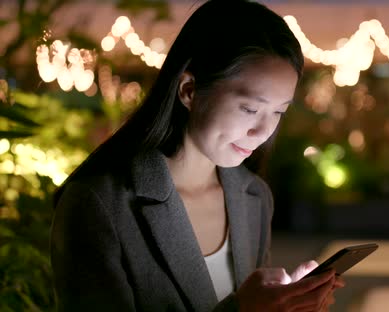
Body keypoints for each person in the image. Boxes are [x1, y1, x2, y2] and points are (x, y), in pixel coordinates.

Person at [50, 0, 344, 311]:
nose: (263, 131)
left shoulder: (253, 197)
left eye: (278, 112)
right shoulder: (101, 204)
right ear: (189, 89)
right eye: (249, 109)